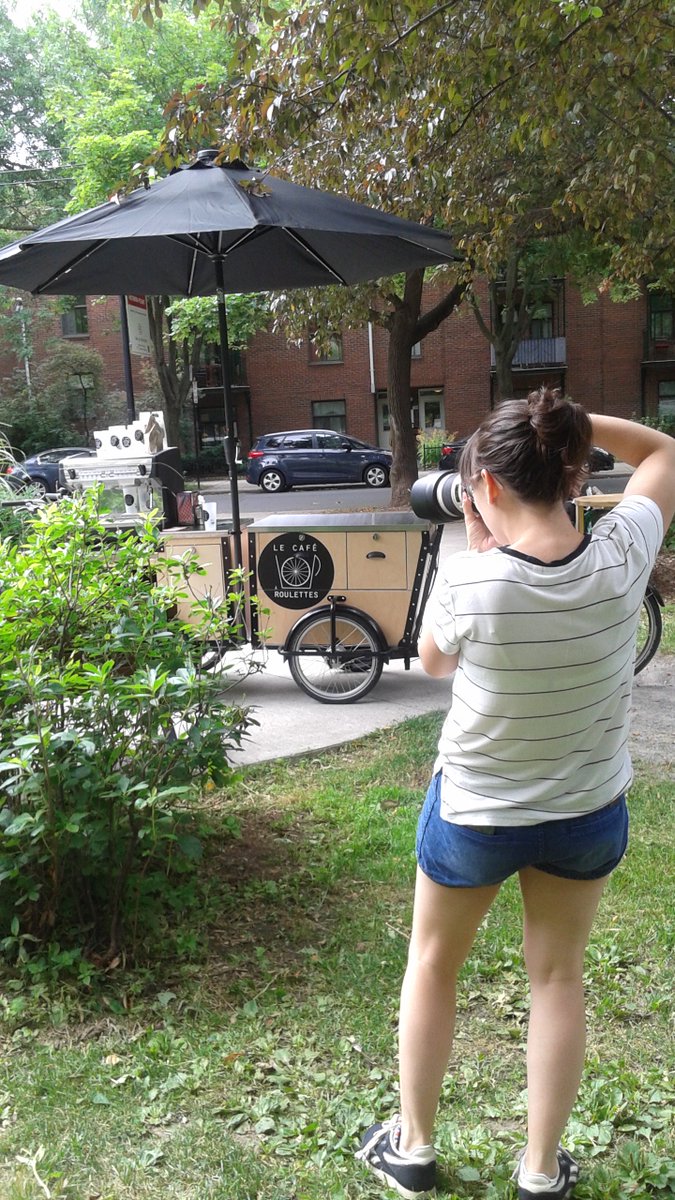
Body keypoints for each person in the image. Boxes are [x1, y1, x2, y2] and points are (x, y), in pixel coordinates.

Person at [356, 387, 675, 1200]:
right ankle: (538, 1172)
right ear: (570, 474)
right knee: (557, 978)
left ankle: (414, 1149)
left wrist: (476, 544)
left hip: (476, 813)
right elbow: (663, 453)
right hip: (586, 812)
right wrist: (565, 427)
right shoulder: (622, 552)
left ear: (485, 491)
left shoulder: (473, 581)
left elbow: (432, 661)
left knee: (432, 965)